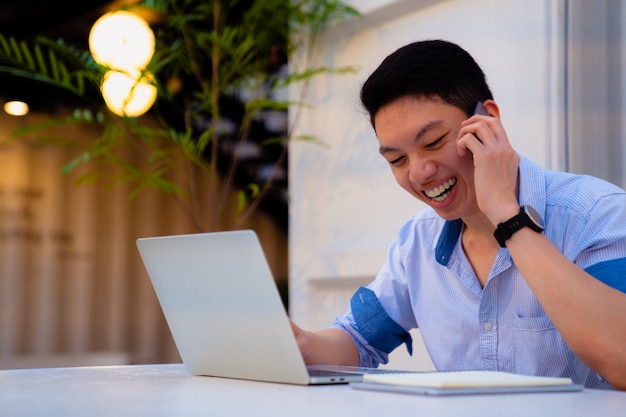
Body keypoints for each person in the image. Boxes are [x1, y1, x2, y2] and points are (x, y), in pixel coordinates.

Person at [290, 39, 626, 390]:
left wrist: (508, 217)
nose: (419, 172)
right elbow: (357, 339)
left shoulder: (595, 212)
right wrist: (302, 345)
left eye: (433, 142)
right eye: (397, 160)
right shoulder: (418, 241)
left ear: (488, 120)